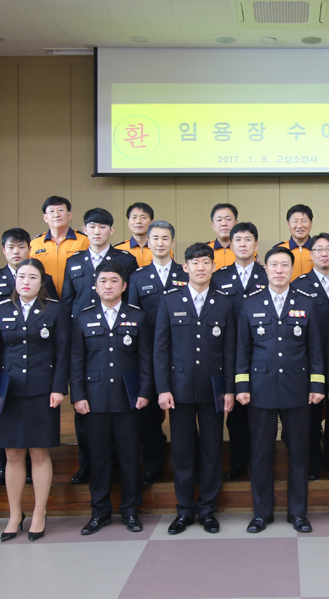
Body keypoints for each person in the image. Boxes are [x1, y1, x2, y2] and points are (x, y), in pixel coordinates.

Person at [236, 246, 325, 533]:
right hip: (260, 388)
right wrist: (242, 385)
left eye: (285, 265)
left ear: (292, 269)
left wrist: (317, 384)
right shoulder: (250, 303)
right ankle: (262, 513)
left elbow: (315, 348)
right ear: (265, 269)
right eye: (273, 265)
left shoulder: (306, 302)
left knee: (299, 453)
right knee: (260, 453)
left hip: (297, 389)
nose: (279, 270)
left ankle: (298, 513)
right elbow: (243, 349)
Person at [154, 243, 237, 535]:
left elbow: (230, 350)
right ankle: (184, 510)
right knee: (182, 451)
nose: (200, 267)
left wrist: (230, 389)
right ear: (185, 267)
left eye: (206, 262)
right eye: (195, 262)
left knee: (212, 449)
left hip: (214, 389)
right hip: (179, 389)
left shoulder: (225, 302)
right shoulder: (169, 300)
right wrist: (163, 388)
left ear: (213, 267)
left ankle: (207, 509)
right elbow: (160, 349)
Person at [0, 258, 70, 542]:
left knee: (39, 452)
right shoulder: (1, 310)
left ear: (41, 282)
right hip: (8, 392)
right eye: (21, 276)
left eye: (33, 277)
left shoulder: (55, 310)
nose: (26, 282)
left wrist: (58, 388)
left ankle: (39, 513)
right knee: (12, 453)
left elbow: (63, 351)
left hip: (42, 390)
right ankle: (14, 514)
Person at [70, 260, 153, 534]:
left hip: (129, 398)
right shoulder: (83, 318)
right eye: (103, 281)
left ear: (124, 286)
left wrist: (144, 391)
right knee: (99, 458)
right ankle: (100, 511)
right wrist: (78, 395)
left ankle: (131, 511)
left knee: (130, 456)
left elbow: (145, 359)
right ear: (95, 286)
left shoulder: (138, 317)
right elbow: (77, 361)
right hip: (93, 400)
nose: (108, 286)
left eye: (114, 281)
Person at [61, 208, 138, 484]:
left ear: (111, 230)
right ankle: (87, 465)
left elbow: (132, 298)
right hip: (86, 338)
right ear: (84, 230)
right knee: (87, 415)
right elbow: (67, 302)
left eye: (102, 227)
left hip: (119, 334)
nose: (97, 231)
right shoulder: (74, 261)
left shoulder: (126, 259)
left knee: (121, 418)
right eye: (91, 227)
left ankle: (118, 467)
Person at [0, 227, 56, 486]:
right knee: (9, 445)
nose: (16, 251)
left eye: (21, 246)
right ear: (3, 250)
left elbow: (56, 329)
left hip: (40, 377)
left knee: (39, 445)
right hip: (7, 377)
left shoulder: (47, 287)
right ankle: (4, 475)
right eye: (11, 247)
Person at [127, 220, 186, 485]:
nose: (160, 243)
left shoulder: (186, 273)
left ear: (173, 242)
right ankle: (153, 467)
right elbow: (132, 319)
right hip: (150, 355)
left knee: (184, 413)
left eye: (165, 238)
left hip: (183, 353)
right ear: (148, 242)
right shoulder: (138, 277)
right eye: (155, 238)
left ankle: (188, 464)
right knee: (149, 416)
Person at [211, 221, 267, 481]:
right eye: (238, 240)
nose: (243, 244)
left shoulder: (267, 274)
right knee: (234, 414)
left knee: (259, 412)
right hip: (228, 352)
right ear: (230, 245)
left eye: (248, 239)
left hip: (261, 351)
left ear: (256, 245)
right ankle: (237, 463)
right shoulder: (219, 277)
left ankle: (259, 464)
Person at [291, 232, 329, 479]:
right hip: (309, 361)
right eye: (318, 249)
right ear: (311, 255)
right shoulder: (299, 285)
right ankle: (312, 463)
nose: (324, 254)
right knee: (311, 415)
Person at [30, 195, 89, 296]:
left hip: (76, 296)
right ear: (45, 218)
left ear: (70, 215)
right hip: (44, 297)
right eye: (51, 211)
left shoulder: (84, 241)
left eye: (61, 210)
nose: (56, 215)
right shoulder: (35, 243)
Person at [275, 204, 314, 280]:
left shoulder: (321, 250)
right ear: (288, 224)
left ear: (311, 223)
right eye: (295, 221)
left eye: (304, 221)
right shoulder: (279, 250)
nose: (299, 226)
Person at [114, 202, 155, 267]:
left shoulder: (161, 248)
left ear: (152, 222)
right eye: (134, 217)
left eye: (143, 217)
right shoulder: (118, 249)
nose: (138, 221)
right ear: (128, 221)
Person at [208, 203, 238, 269]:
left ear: (236, 223)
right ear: (213, 226)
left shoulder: (245, 249)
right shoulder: (205, 250)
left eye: (228, 219)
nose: (224, 224)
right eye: (219, 220)